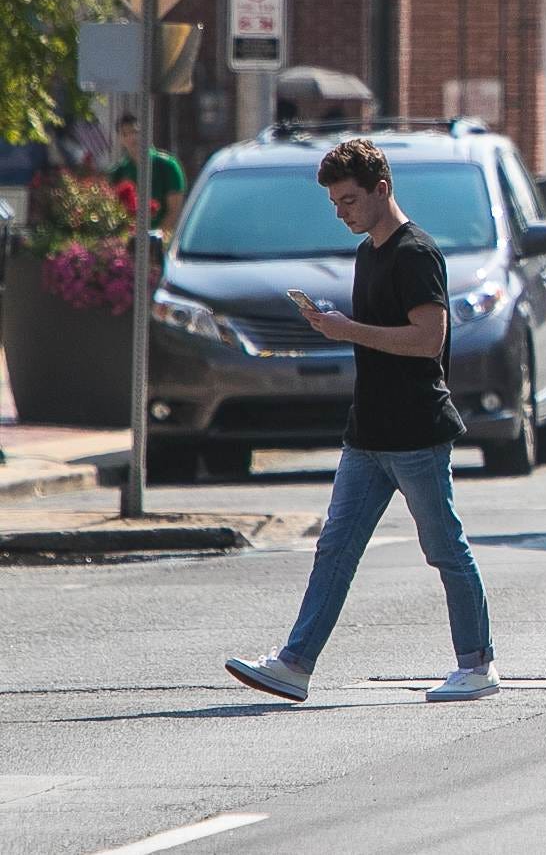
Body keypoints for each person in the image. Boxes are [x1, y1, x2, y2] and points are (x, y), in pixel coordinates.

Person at [226, 139, 498, 704]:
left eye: (349, 200)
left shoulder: (415, 253)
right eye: (335, 203)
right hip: (367, 433)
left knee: (444, 547)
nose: (342, 211)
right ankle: (295, 664)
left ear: (382, 189)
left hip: (416, 433)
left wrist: (347, 329)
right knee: (335, 549)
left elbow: (429, 340)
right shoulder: (369, 252)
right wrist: (337, 326)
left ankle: (477, 665)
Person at [109, 113, 186, 229]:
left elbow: (175, 211)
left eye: (135, 132)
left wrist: (155, 242)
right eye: (125, 134)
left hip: (162, 241)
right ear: (120, 139)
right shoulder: (118, 172)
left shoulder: (168, 166)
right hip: (129, 242)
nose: (132, 138)